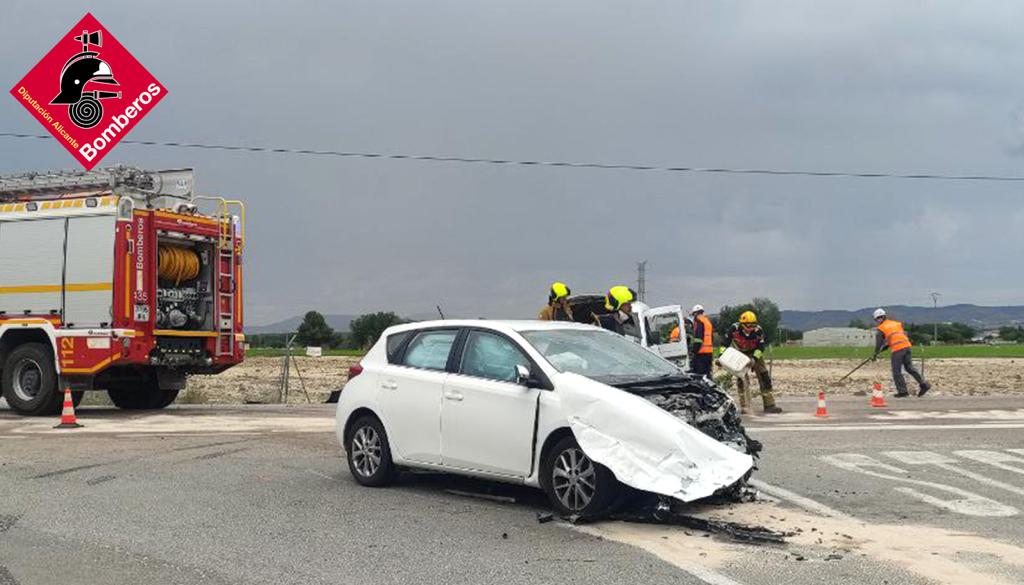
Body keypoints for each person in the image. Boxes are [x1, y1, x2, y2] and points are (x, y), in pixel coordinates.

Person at [721, 311, 782, 414]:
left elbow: (760, 347)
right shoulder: (733, 329)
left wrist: (754, 359)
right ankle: (745, 406)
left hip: (755, 353)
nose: (750, 328)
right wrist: (721, 357)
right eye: (748, 325)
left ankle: (769, 405)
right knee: (741, 379)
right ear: (742, 324)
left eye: (753, 325)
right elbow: (724, 344)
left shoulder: (758, 331)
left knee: (764, 377)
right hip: (740, 354)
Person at [873, 308, 931, 397]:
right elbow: (895, 337)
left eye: (876, 319)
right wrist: (886, 347)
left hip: (897, 349)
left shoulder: (880, 328)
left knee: (896, 371)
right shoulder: (895, 324)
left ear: (877, 319)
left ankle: (903, 392)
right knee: (909, 367)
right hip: (906, 346)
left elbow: (879, 343)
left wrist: (875, 354)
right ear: (885, 316)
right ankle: (924, 385)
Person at [689, 304, 714, 377]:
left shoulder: (699, 322)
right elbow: (711, 338)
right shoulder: (707, 322)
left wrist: (694, 351)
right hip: (709, 352)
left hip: (701, 352)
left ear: (695, 313)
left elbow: (698, 339)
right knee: (707, 374)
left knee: (699, 375)